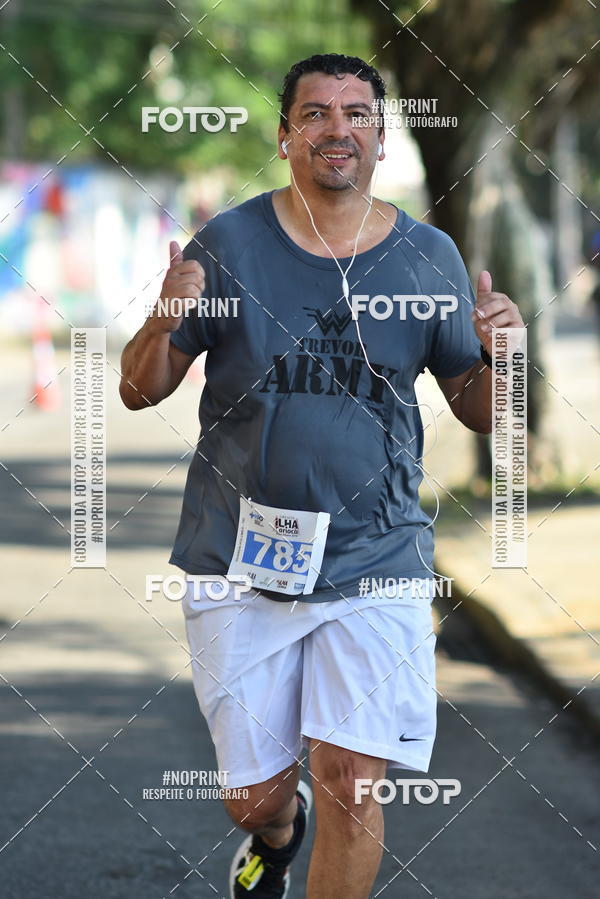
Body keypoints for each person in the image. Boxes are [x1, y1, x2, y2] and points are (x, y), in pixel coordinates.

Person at [120, 53, 524, 899]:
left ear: (381, 137)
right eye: (315, 114)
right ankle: (275, 831)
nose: (337, 128)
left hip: (377, 557)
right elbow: (137, 387)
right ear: (285, 136)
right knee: (251, 796)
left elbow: (480, 408)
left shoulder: (427, 257)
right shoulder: (228, 243)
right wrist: (164, 314)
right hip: (240, 556)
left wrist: (500, 355)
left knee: (351, 780)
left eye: (356, 114)